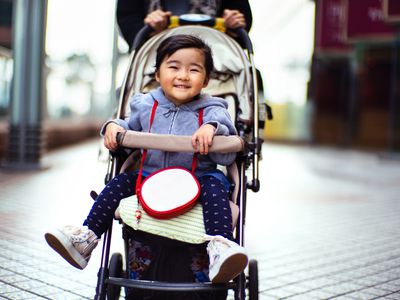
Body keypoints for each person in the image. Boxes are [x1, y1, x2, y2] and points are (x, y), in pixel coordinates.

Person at [45, 34, 248, 284]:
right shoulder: (144, 104)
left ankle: (220, 248)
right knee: (117, 184)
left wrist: (212, 129)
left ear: (205, 80)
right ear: (157, 74)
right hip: (150, 177)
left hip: (197, 179)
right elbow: (126, 124)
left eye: (194, 70)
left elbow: (225, 133)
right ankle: (86, 238)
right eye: (174, 67)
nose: (183, 75)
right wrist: (112, 127)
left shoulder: (213, 109)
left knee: (216, 185)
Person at [116, 0, 252, 49]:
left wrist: (234, 22)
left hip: (217, 59)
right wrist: (149, 27)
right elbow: (128, 23)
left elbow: (242, 19)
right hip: (153, 58)